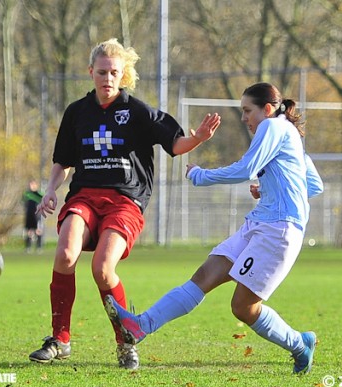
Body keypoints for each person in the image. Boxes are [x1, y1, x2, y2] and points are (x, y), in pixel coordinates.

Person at [28, 38, 221, 370]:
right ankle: (60, 339)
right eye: (101, 72)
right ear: (91, 72)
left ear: (123, 74)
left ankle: (125, 342)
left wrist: (198, 138)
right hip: (85, 196)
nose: (107, 79)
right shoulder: (77, 112)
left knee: (103, 269)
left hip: (125, 201)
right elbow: (63, 163)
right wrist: (49, 191)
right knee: (64, 254)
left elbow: (175, 145)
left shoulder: (138, 111)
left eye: (113, 72)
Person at [105, 82, 324, 374]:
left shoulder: (272, 128)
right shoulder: (290, 135)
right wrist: (271, 188)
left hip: (278, 231)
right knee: (205, 274)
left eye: (248, 111)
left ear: (267, 109)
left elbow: (246, 169)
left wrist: (200, 175)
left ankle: (299, 343)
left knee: (243, 308)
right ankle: (140, 325)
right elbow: (314, 185)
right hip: (261, 223)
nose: (244, 118)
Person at [23, 180, 44, 253]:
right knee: (29, 231)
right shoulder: (27, 194)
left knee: (38, 231)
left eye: (32, 184)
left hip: (37, 215)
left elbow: (43, 200)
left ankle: (39, 247)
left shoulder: (39, 194)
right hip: (29, 215)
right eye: (29, 184)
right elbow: (23, 202)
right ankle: (28, 248)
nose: (30, 186)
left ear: (35, 185)